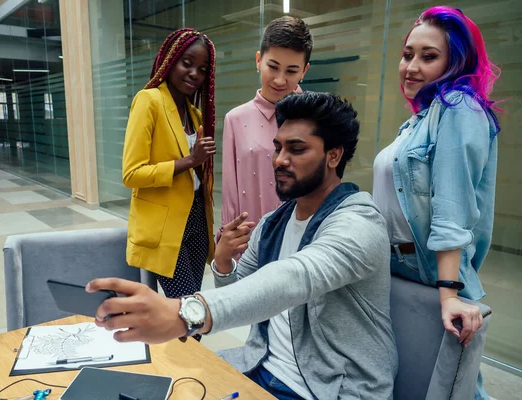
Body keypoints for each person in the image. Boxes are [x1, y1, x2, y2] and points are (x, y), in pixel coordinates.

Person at [88, 92, 398, 399]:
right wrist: (222, 262)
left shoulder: (359, 223)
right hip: (259, 368)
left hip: (328, 390)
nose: (280, 160)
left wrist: (186, 313)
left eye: (297, 149)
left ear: (333, 155)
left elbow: (295, 278)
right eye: (277, 148)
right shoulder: (275, 222)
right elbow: (244, 291)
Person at [372, 6, 500, 399]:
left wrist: (448, 294)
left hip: (429, 276)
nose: (410, 66)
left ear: (454, 63)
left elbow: (452, 207)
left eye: (429, 57)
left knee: (449, 388)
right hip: (400, 273)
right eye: (408, 53)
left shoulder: (458, 108)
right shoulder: (417, 121)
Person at [122, 28, 217, 302]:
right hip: (164, 225)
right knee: (189, 313)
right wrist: (190, 161)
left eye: (202, 68)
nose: (194, 74)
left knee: (193, 305)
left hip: (197, 218)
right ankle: (178, 346)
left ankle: (176, 348)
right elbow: (132, 174)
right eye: (187, 63)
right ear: (169, 60)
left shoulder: (196, 114)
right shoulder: (148, 101)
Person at [219, 16, 312, 240]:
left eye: (291, 71)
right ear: (259, 60)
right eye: (273, 66)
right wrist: (227, 240)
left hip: (304, 238)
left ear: (304, 71)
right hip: (250, 240)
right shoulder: (235, 119)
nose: (280, 80)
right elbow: (231, 191)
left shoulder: (316, 115)